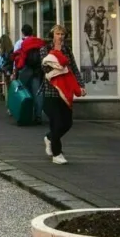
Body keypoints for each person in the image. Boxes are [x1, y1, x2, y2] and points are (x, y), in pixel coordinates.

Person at [41, 25, 84, 165]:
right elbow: (47, 68)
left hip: (65, 93)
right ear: (53, 35)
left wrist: (80, 84)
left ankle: (49, 138)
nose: (60, 37)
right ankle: (57, 154)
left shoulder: (67, 50)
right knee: (56, 122)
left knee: (67, 123)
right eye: (58, 34)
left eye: (62, 34)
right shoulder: (45, 49)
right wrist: (58, 59)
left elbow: (73, 69)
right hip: (51, 92)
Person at [12, 23, 45, 109]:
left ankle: (25, 112)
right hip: (37, 71)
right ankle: (38, 115)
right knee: (37, 92)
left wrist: (15, 71)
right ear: (32, 32)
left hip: (25, 70)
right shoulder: (40, 42)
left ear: (22, 32)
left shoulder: (21, 43)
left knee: (23, 91)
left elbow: (19, 58)